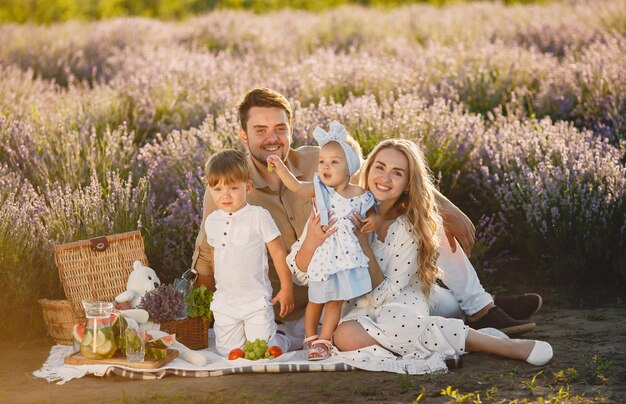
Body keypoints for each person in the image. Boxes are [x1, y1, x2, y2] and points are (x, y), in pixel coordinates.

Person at [192, 87, 540, 349]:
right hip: (303, 304)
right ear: (243, 135)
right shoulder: (229, 189)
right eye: (260, 130)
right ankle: (474, 311)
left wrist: (447, 208)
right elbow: (209, 258)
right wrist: (203, 315)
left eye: (280, 128)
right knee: (408, 304)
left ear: (291, 129)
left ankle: (480, 307)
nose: (272, 138)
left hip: (353, 276)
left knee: (428, 221)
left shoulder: (318, 160)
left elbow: (381, 178)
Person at [289, 139, 552, 370]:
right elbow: (300, 274)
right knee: (345, 336)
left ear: (407, 184)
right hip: (357, 309)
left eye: (397, 173)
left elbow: (387, 292)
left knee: (401, 320)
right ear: (367, 170)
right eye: (379, 167)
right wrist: (312, 240)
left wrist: (364, 245)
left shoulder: (409, 227)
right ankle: (462, 332)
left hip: (403, 298)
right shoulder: (337, 207)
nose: (385, 178)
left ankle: (494, 343)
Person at [267, 120, 379, 360]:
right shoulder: (320, 189)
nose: (325, 167)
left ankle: (325, 340)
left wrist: (374, 221)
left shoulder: (359, 194)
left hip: (344, 258)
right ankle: (310, 336)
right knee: (316, 298)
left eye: (334, 162)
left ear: (350, 168)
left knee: (335, 301)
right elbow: (295, 186)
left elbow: (373, 211)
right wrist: (279, 168)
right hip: (323, 255)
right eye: (322, 161)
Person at [203, 149, 294, 356]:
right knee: (228, 351)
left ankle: (282, 338)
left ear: (248, 187)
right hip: (227, 301)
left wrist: (286, 288)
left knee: (263, 349)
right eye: (217, 189)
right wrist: (220, 287)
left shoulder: (258, 217)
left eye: (233, 187)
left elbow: (279, 253)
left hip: (255, 299)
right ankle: (240, 334)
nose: (225, 195)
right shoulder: (212, 221)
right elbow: (216, 255)